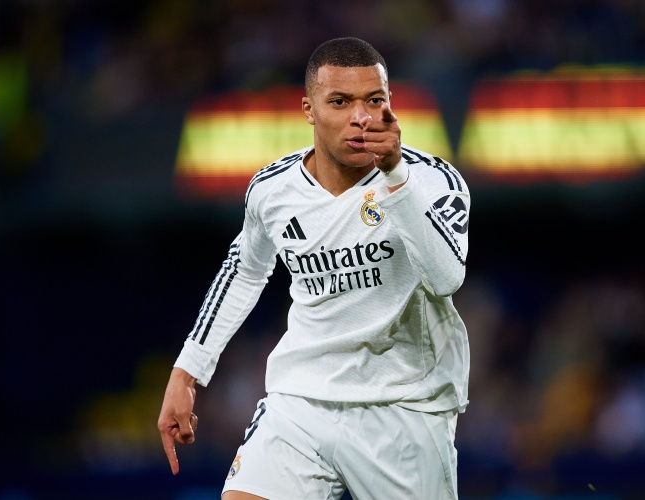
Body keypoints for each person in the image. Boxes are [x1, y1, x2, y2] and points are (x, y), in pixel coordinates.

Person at [158, 37, 470, 500]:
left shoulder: (431, 179)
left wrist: (394, 176)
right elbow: (244, 272)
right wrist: (186, 372)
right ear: (308, 109)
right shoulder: (273, 189)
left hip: (404, 407)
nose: (360, 116)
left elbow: (447, 279)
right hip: (300, 402)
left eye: (374, 100)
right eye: (340, 102)